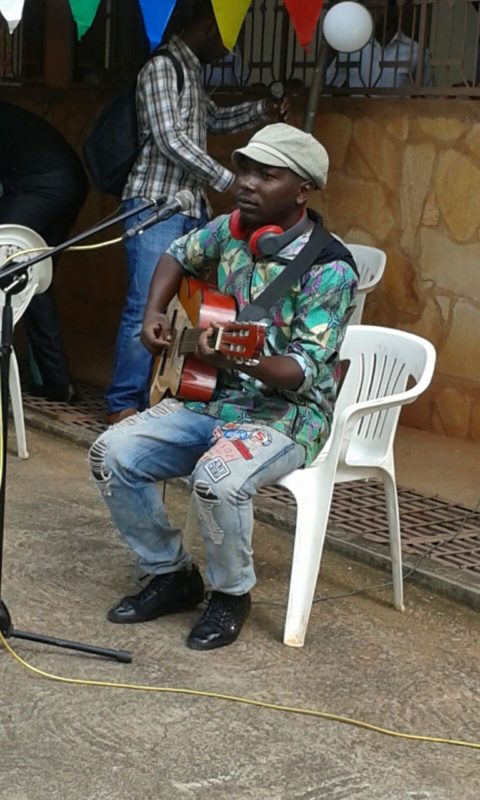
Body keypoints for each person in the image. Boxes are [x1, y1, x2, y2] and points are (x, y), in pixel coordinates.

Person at [89, 123, 358, 651]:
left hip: (287, 415)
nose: (245, 183)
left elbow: (302, 370)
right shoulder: (232, 228)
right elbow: (176, 255)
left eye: (266, 174)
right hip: (213, 398)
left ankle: (231, 594)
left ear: (302, 189)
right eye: (244, 170)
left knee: (218, 477)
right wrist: (152, 315)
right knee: (110, 452)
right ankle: (171, 574)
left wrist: (249, 359)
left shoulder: (330, 270)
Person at [105, 0, 288, 426]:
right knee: (144, 306)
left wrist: (261, 110)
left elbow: (213, 120)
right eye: (226, 37)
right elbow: (170, 139)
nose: (229, 48)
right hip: (155, 205)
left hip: (189, 208)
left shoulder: (191, 72)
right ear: (207, 26)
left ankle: (157, 399)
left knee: (183, 312)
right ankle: (122, 405)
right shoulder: (162, 68)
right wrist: (226, 179)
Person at [0, 100, 89, 403]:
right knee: (30, 280)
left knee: (8, 268)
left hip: (43, 184)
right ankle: (56, 380)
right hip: (68, 181)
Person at [326, 0, 432, 91]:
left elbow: (427, 95)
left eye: (379, 8)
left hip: (397, 114)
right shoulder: (352, 48)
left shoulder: (416, 51)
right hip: (359, 113)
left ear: (395, 11)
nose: (373, 14)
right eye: (369, 9)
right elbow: (328, 85)